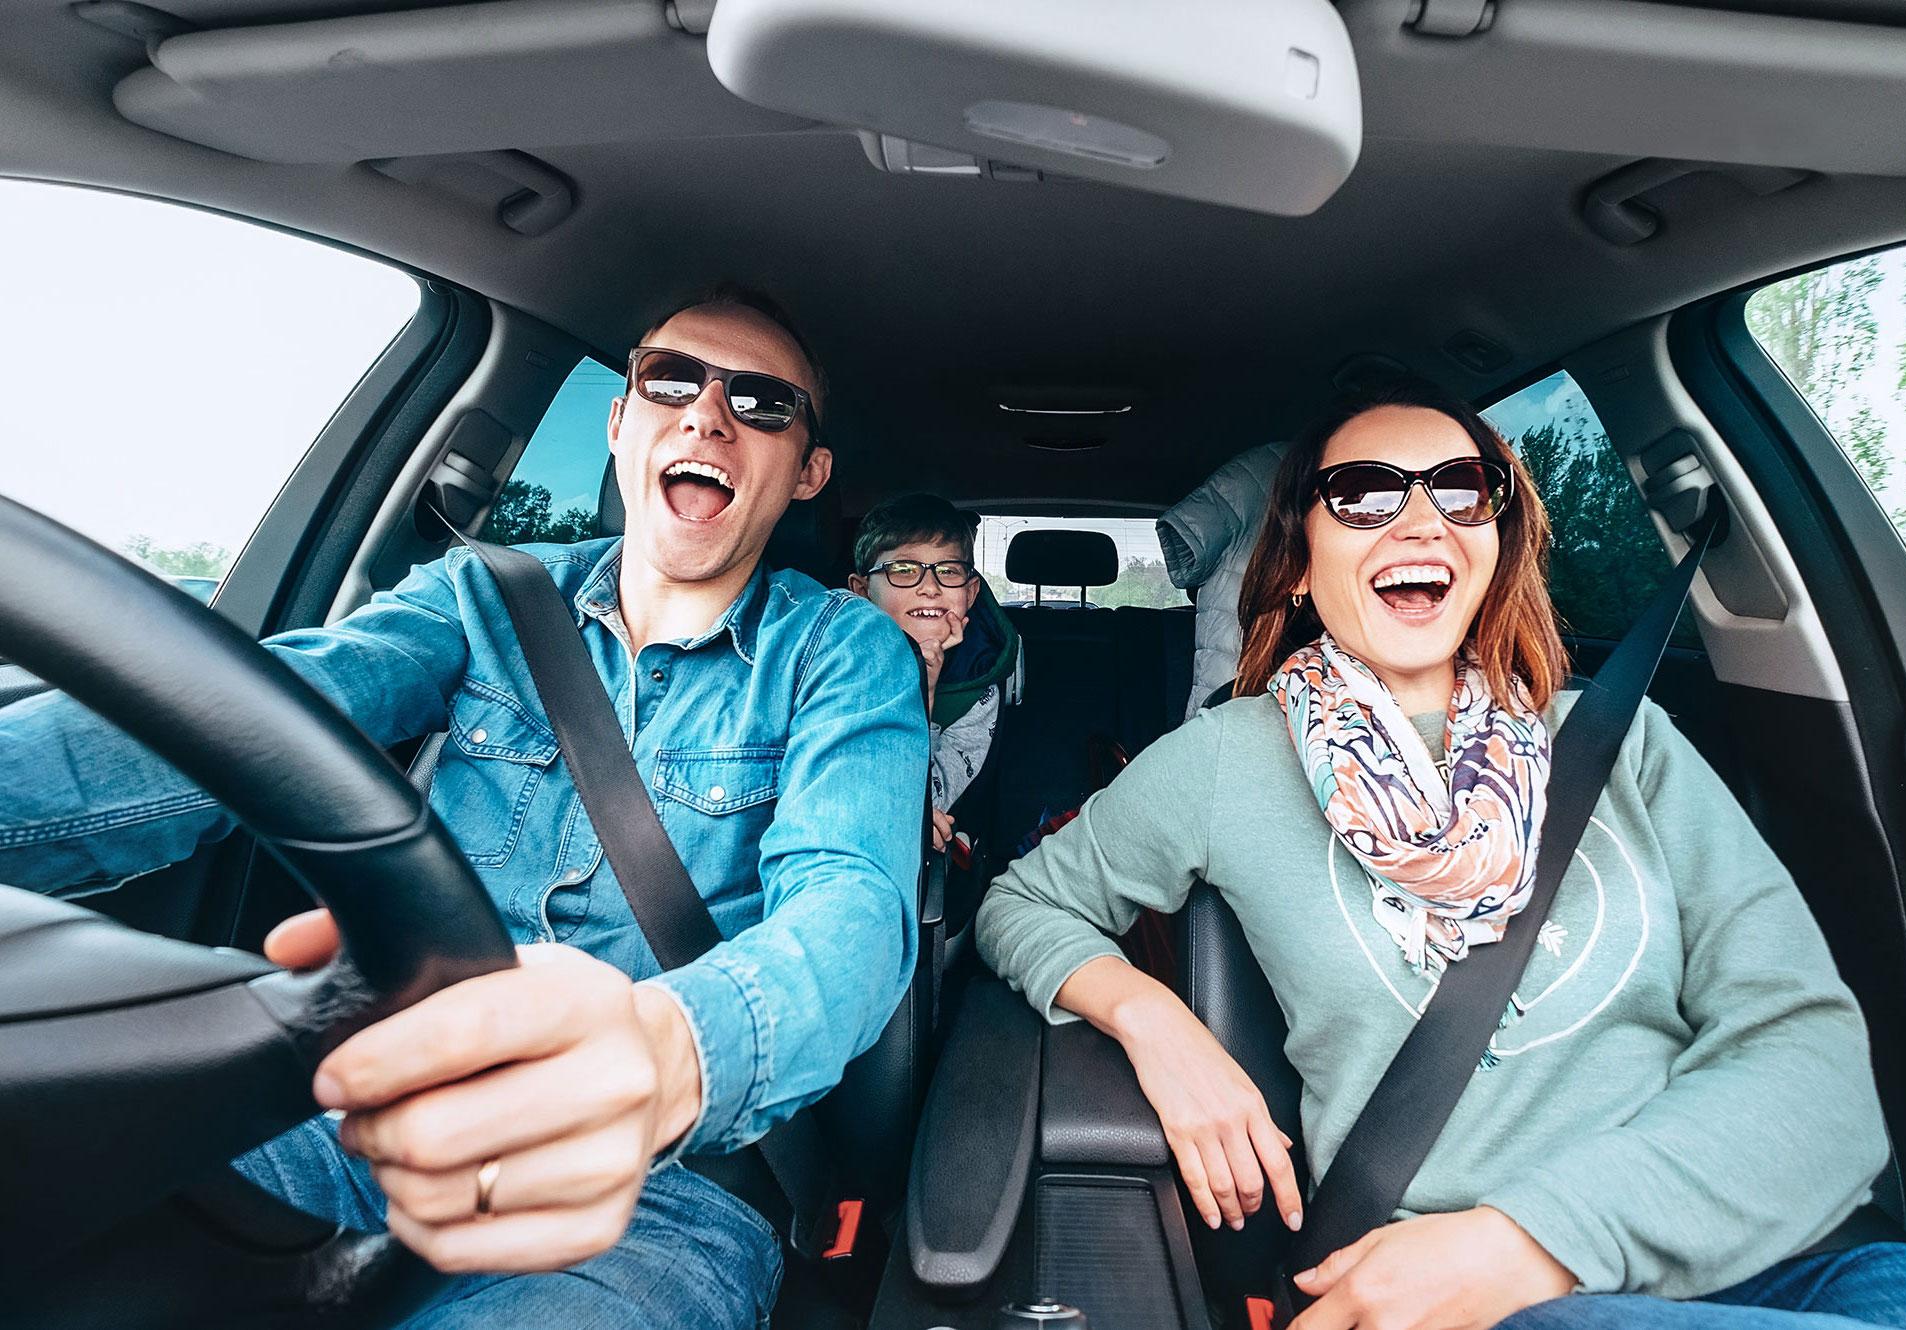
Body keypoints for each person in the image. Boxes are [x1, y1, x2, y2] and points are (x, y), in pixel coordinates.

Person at [975, 377, 1906, 1330]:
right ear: (1298, 560)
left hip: (1790, 1262)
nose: (1421, 517)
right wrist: (1155, 1020)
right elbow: (1023, 905)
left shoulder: (1623, 743)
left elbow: (1811, 1066)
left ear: (1496, 543)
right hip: (1468, 1296)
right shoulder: (1222, 760)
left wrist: (1537, 1234)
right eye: (1365, 492)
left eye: (1460, 487)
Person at [0, 287, 928, 1329]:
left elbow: (851, 907)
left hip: (654, 1192)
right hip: (368, 1109)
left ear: (808, 473)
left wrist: (665, 1048)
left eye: (762, 403)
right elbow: (240, 721)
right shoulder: (479, 598)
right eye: (671, 380)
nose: (707, 416)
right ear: (623, 420)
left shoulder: (844, 654)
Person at [848, 493, 1017, 853]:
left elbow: (928, 797)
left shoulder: (978, 684)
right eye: (904, 570)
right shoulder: (831, 664)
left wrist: (923, 686)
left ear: (970, 593)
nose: (930, 587)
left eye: (949, 571)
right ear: (862, 591)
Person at [1158, 440, 1288, 718]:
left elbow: (1187, 564)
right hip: (1235, 663)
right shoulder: (1257, 473)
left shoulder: (1256, 472)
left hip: (1230, 663)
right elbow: (1185, 561)